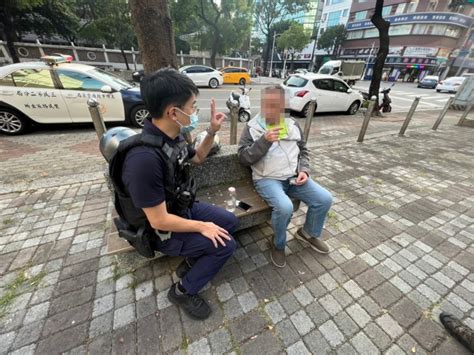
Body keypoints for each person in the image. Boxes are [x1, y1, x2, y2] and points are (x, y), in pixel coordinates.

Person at [120, 68, 238, 320]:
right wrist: (201, 226)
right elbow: (158, 221)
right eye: (193, 107)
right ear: (173, 112)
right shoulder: (144, 160)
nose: (195, 113)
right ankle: (183, 290)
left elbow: (197, 158)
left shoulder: (175, 135)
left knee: (231, 222)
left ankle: (194, 259)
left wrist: (213, 130)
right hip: (162, 230)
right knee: (226, 245)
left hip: (182, 208)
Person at [238, 86, 333, 268]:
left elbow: (303, 150)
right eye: (268, 104)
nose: (272, 109)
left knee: (324, 198)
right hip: (267, 179)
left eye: (277, 105)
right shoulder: (252, 128)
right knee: (284, 207)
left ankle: (307, 234)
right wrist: (264, 141)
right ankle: (278, 243)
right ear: (263, 104)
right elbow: (243, 158)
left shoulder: (292, 124)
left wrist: (304, 170)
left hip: (294, 177)